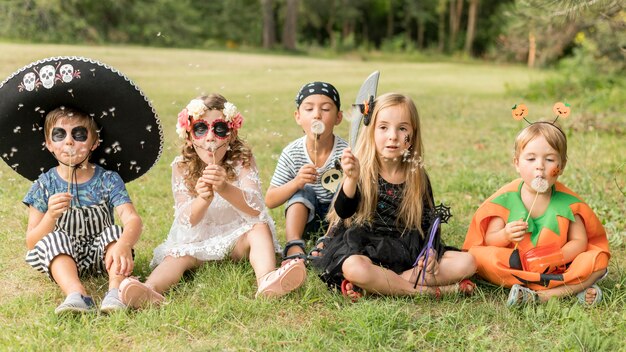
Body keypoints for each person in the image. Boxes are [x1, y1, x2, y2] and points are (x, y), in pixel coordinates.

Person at [0, 57, 163, 315]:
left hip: (102, 256)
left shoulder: (108, 179)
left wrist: (123, 243)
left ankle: (114, 292)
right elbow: (32, 242)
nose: (69, 142)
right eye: (59, 135)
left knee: (114, 233)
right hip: (64, 258)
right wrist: (51, 216)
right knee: (52, 239)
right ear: (49, 144)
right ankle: (77, 294)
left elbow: (132, 220)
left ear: (94, 142)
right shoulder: (45, 184)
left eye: (79, 134)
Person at [119, 94, 306, 308]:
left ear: (231, 134)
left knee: (259, 228)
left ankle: (266, 279)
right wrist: (202, 199)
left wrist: (225, 188)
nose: (210, 138)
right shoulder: (181, 166)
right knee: (176, 257)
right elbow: (185, 219)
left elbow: (255, 208)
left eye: (219, 129)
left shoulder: (241, 160)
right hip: (198, 241)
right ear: (189, 136)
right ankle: (150, 290)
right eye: (200, 129)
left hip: (238, 238)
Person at [314, 93, 476, 300]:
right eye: (383, 127)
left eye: (402, 128)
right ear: (371, 131)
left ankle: (382, 284)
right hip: (365, 249)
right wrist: (351, 179)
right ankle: (427, 292)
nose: (393, 136)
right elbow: (343, 210)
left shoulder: (417, 176)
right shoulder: (360, 169)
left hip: (406, 249)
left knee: (467, 262)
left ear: (412, 136)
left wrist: (431, 252)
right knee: (355, 267)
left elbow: (429, 221)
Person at [462, 105, 610, 307]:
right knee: (478, 257)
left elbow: (579, 241)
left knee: (597, 261)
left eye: (549, 159)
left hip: (559, 266)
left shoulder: (568, 203)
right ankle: (573, 289)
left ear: (562, 166)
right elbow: (489, 239)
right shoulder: (506, 199)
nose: (539, 165)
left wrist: (556, 258)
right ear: (516, 163)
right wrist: (505, 234)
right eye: (531, 159)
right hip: (518, 264)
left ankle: (540, 297)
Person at [265, 81, 348, 263]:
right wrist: (296, 182)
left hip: (339, 221)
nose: (317, 115)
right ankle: (294, 243)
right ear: (298, 117)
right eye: (309, 109)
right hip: (307, 220)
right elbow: (270, 200)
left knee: (344, 189)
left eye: (326, 109)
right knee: (303, 192)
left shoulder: (347, 152)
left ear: (338, 117)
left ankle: (327, 241)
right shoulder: (292, 152)